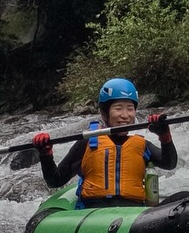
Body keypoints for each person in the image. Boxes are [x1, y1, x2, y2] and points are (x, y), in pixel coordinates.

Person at [33, 77, 177, 206]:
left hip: (132, 216)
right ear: (104, 113)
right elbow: (55, 181)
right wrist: (46, 155)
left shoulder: (142, 145)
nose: (125, 115)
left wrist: (164, 136)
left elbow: (169, 163)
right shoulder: (87, 143)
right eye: (118, 108)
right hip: (94, 215)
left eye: (130, 109)